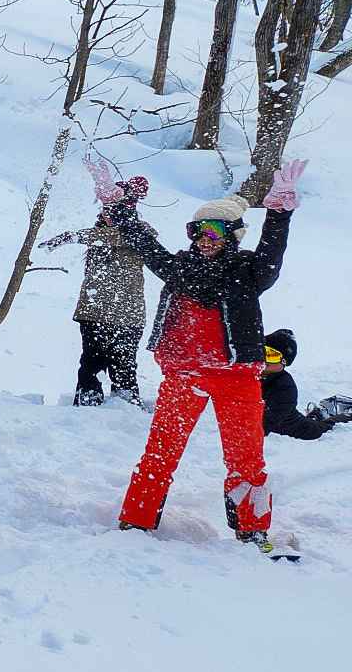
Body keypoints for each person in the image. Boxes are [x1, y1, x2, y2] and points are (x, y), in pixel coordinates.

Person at [115, 161, 305, 554]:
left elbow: (272, 255)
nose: (205, 238)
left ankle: (252, 531)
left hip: (235, 377)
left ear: (232, 236)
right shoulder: (181, 267)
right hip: (183, 376)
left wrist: (279, 211)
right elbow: (147, 248)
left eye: (215, 231)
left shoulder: (248, 272)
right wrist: (121, 210)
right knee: (159, 453)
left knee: (246, 458)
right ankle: (136, 519)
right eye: (198, 231)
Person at [39, 161, 149, 406]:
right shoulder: (100, 233)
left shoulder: (140, 233)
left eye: (115, 210)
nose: (108, 215)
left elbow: (111, 237)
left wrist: (70, 236)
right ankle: (88, 409)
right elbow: (100, 236)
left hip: (126, 316)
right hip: (94, 313)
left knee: (124, 365)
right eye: (106, 210)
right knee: (91, 364)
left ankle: (126, 411)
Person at [258, 329, 336, 440]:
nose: (265, 361)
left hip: (305, 431)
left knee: (331, 426)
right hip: (291, 421)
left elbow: (263, 425)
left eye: (272, 356)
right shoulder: (251, 374)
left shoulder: (285, 386)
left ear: (284, 363)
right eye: (263, 353)